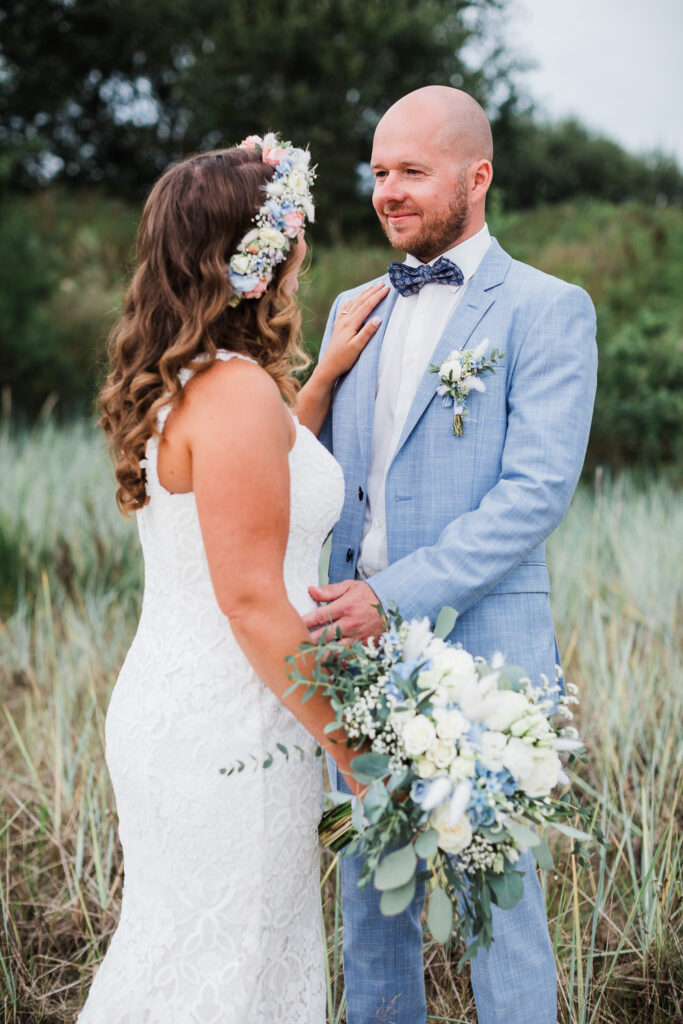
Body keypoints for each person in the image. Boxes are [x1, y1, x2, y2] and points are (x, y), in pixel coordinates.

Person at [303, 86, 598, 1024]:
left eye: (411, 173)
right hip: (357, 657)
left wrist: (390, 595)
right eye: (379, 171)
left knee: (499, 905)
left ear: (477, 177)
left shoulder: (549, 310)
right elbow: (313, 474)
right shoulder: (353, 306)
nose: (387, 191)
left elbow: (533, 494)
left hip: (487, 659)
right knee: (370, 902)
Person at [77, 137, 387, 1024]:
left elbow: (250, 485)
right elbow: (252, 598)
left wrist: (317, 386)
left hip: (178, 710)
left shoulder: (189, 383)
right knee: (229, 970)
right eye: (295, 227)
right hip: (235, 725)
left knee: (186, 954)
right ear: (256, 253)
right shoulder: (237, 392)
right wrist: (357, 755)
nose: (306, 245)